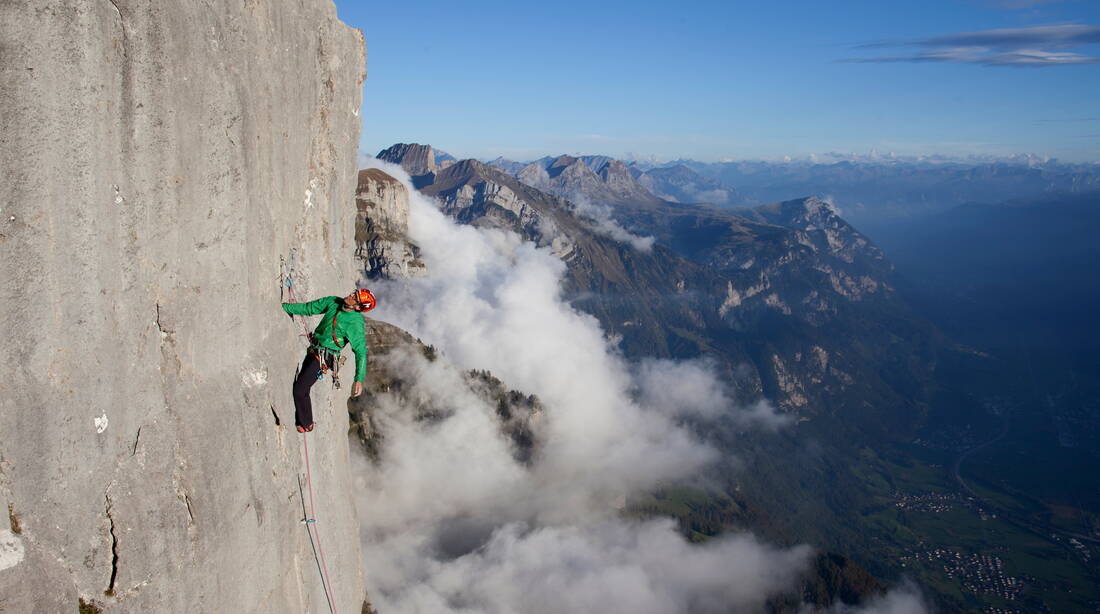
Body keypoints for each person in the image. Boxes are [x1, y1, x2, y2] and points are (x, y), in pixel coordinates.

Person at [282, 289, 375, 432]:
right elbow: (309, 308)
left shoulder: (355, 324)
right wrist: (284, 307)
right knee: (302, 384)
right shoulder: (333, 301)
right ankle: (302, 419)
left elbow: (361, 352)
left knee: (300, 390)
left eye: (354, 297)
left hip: (324, 357)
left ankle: (307, 423)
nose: (350, 295)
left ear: (358, 307)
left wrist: (359, 379)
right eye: (353, 293)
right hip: (314, 349)